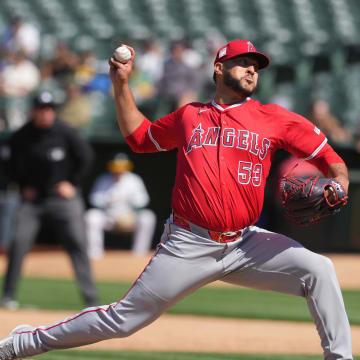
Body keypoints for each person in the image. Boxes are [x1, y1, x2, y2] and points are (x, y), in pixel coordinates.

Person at [0, 40, 353, 359]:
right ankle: (24, 342)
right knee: (123, 320)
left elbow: (327, 156)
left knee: (319, 270)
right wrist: (121, 84)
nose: (251, 70)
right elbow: (140, 137)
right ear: (219, 68)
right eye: (243, 62)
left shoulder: (274, 118)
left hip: (246, 243)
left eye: (256, 66)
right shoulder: (189, 116)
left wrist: (339, 180)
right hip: (189, 242)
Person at [0, 91, 98, 311]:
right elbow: (8, 166)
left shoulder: (65, 132)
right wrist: (24, 187)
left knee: (77, 243)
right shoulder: (21, 136)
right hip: (33, 201)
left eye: (50, 109)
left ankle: (91, 300)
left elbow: (87, 157)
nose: (46, 113)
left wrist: (72, 183)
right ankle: (8, 296)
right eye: (42, 109)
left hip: (62, 199)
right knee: (17, 242)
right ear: (33, 110)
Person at [85, 152, 156, 259]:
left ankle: (139, 253)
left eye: (122, 167)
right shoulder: (103, 179)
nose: (119, 170)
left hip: (129, 218)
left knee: (147, 217)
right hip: (108, 218)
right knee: (91, 216)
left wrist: (130, 212)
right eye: (116, 166)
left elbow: (142, 201)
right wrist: (109, 202)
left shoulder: (134, 180)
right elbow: (94, 200)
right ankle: (95, 253)